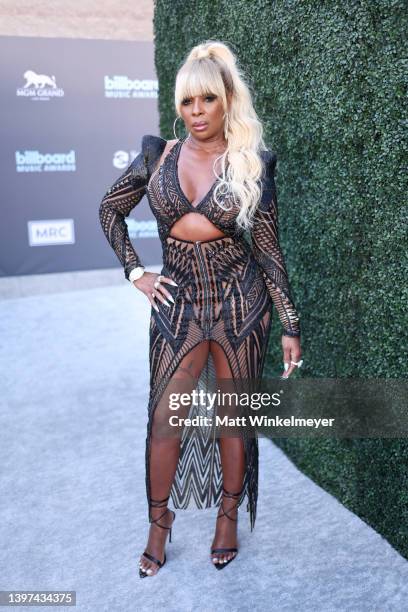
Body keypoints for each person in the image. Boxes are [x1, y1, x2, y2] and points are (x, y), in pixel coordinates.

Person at [99, 40, 302, 578]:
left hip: (242, 303)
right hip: (178, 303)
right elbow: (109, 211)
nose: (196, 113)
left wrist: (290, 323)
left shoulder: (251, 163)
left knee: (233, 422)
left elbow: (269, 250)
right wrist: (136, 272)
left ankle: (227, 517)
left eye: (207, 100)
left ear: (226, 100)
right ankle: (158, 523)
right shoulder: (157, 155)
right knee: (165, 419)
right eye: (187, 102)